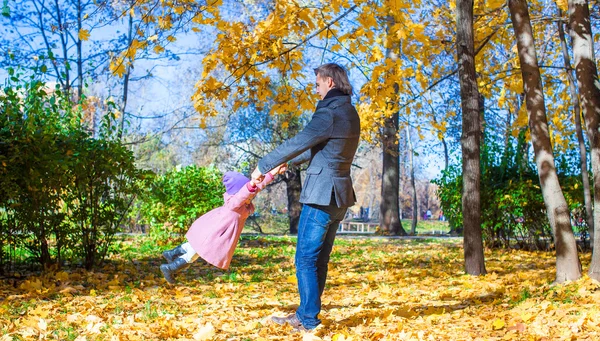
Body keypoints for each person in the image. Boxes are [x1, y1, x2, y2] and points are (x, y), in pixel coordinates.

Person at [251, 63, 360, 331]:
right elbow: (322, 147)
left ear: (330, 83)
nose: (316, 89)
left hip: (321, 196)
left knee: (305, 260)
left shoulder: (329, 113)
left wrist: (264, 164)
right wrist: (287, 164)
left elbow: (301, 140)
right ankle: (307, 313)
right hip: (339, 197)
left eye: (318, 84)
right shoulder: (349, 112)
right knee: (318, 260)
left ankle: (307, 319)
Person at [159, 165, 286, 284]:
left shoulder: (242, 202)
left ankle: (171, 254)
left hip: (213, 232)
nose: (251, 195)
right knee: (194, 254)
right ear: (238, 192)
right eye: (248, 191)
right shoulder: (235, 203)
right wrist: (251, 184)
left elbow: (258, 186)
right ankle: (169, 268)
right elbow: (244, 194)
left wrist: (273, 172)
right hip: (213, 234)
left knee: (194, 247)